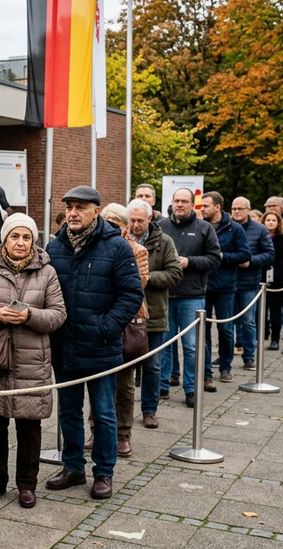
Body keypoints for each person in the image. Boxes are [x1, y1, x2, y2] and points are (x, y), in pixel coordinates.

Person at [44, 186, 144, 500]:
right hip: (65, 347)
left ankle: (104, 472)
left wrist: (106, 327)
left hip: (101, 347)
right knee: (69, 412)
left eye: (80, 207)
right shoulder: (54, 246)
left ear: (95, 211)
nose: (72, 213)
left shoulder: (116, 247)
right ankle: (73, 467)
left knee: (103, 413)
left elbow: (131, 295)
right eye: (69, 207)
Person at [0, 213, 66, 507]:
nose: (20, 242)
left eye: (26, 237)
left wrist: (29, 315)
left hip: (32, 361)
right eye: (15, 236)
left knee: (29, 426)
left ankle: (27, 484)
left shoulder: (47, 272)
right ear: (4, 238)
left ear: (33, 241)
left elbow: (58, 314)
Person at [158, 188, 221, 407]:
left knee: (192, 346)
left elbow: (214, 259)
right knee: (164, 345)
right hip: (165, 294)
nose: (180, 205)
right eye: (177, 201)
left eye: (184, 201)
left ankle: (192, 388)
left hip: (192, 295)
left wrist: (189, 262)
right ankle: (162, 385)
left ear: (192, 204)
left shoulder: (204, 228)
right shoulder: (161, 227)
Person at [95, 203, 148, 457]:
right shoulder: (93, 246)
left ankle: (123, 433)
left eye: (117, 224)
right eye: (107, 222)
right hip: (98, 319)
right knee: (95, 378)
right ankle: (96, 430)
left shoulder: (137, 250)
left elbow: (137, 284)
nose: (111, 227)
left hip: (127, 322)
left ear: (126, 227)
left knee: (125, 383)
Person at [127, 198, 182, 429]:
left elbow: (175, 273)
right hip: (127, 314)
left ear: (150, 218)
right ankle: (123, 414)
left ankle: (149, 410)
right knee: (123, 368)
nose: (136, 225)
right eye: (132, 220)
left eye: (140, 220)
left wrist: (147, 278)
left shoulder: (164, 242)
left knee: (152, 366)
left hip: (154, 312)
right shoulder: (121, 240)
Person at [201, 192, 249, 385]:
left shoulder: (234, 228)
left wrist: (221, 256)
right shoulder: (201, 226)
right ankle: (204, 371)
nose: (202, 209)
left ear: (217, 207)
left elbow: (244, 254)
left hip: (225, 286)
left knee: (226, 329)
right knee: (203, 329)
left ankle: (226, 367)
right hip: (203, 285)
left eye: (206, 206)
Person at [231, 197, 275, 371]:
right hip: (227, 281)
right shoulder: (226, 227)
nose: (237, 212)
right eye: (234, 208)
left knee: (248, 321)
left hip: (249, 282)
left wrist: (251, 262)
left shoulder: (259, 229)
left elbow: (270, 254)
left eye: (240, 208)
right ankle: (225, 354)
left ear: (248, 210)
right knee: (226, 323)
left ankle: (249, 356)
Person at [263, 211, 283, 351]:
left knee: (276, 311)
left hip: (280, 279)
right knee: (261, 311)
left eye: (273, 220)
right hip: (262, 277)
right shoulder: (260, 237)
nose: (270, 222)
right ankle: (263, 334)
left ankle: (275, 339)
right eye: (268, 220)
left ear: (278, 223)